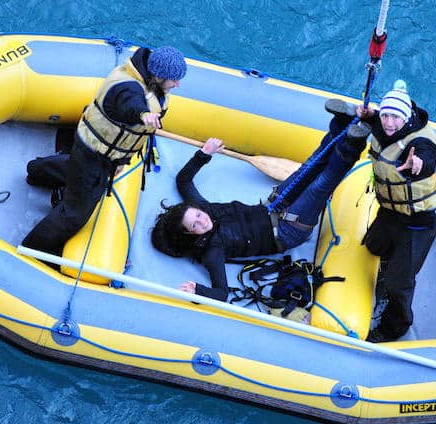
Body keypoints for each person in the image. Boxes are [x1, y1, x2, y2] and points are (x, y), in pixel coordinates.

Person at [150, 112, 371, 301]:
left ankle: (341, 126)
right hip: (287, 230)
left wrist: (204, 154)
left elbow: (184, 181)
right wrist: (197, 290)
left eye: (197, 215)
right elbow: (221, 293)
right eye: (195, 225)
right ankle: (354, 145)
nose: (202, 220)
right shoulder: (211, 253)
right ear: (190, 235)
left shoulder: (201, 207)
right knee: (319, 186)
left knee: (309, 168)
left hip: (273, 206)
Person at [22, 45, 187, 257]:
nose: (178, 84)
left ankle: (36, 171)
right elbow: (129, 106)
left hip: (91, 147)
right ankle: (31, 251)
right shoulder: (130, 91)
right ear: (159, 75)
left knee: (74, 167)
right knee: (74, 213)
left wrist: (121, 159)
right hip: (97, 153)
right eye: (174, 79)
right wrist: (143, 116)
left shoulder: (146, 80)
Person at [328, 79, 436, 343]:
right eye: (386, 116)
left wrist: (417, 164)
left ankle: (396, 325)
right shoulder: (384, 126)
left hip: (419, 219)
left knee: (399, 281)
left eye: (395, 117)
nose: (389, 123)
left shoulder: (421, 143)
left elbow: (425, 160)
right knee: (374, 244)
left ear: (405, 118)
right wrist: (370, 116)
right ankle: (382, 270)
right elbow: (378, 125)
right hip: (391, 209)